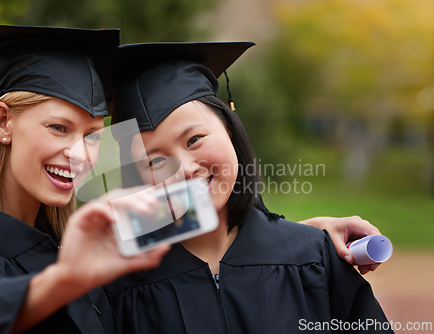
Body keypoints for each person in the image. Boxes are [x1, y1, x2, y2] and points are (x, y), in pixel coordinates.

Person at [103, 42, 393, 333]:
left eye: (194, 140)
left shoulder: (313, 259)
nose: (186, 169)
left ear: (229, 128)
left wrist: (300, 242)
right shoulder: (117, 286)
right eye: (155, 161)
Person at [0, 23, 169, 334]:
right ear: (4, 122)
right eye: (59, 128)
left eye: (93, 137)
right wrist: (65, 279)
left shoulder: (67, 246)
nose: (81, 155)